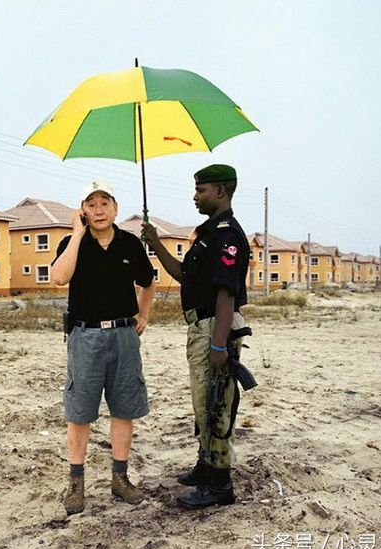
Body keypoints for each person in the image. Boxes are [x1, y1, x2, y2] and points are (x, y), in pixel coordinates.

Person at [142, 164, 250, 509]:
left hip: (214, 329)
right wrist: (156, 243)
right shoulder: (207, 233)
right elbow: (184, 274)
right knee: (203, 403)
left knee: (217, 404)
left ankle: (219, 485)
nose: (195, 196)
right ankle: (206, 465)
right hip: (200, 328)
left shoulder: (227, 235)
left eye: (201, 190)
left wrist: (219, 345)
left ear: (220, 191)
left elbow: (226, 295)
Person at [51, 181, 156, 515]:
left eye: (104, 203)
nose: (98, 210)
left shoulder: (129, 243)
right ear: (83, 210)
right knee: (80, 411)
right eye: (91, 204)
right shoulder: (72, 242)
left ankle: (120, 479)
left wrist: (144, 314)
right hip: (85, 337)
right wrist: (77, 234)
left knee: (124, 408)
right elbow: (58, 277)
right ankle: (76, 485)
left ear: (115, 209)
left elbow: (148, 281)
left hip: (124, 335)